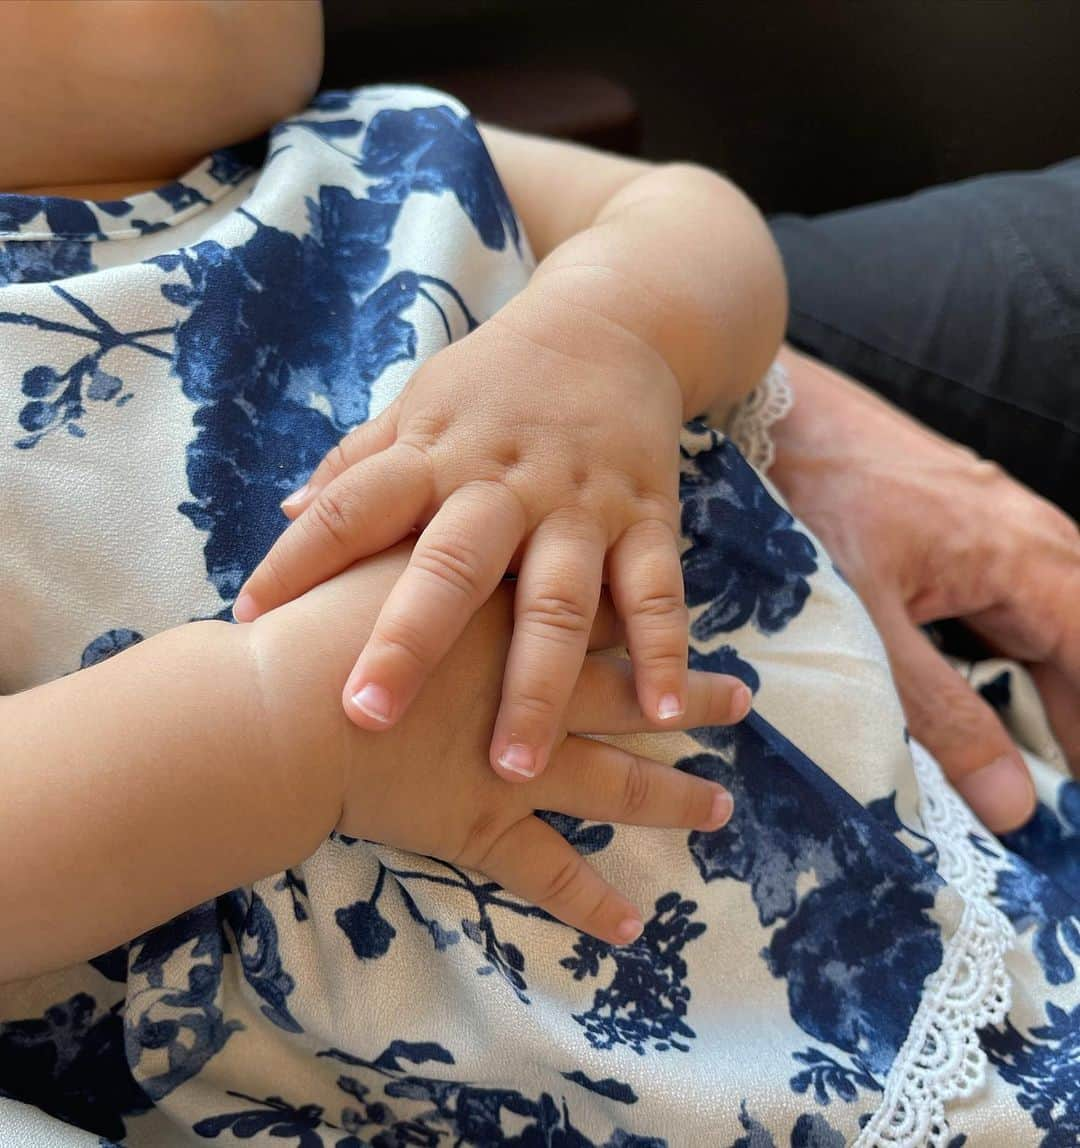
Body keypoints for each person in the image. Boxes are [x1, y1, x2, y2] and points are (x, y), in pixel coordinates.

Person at [0, 3, 1074, 1146]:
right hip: (505, 1074)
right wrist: (289, 715)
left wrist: (608, 326)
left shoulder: (387, 142)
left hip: (903, 873)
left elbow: (685, 210)